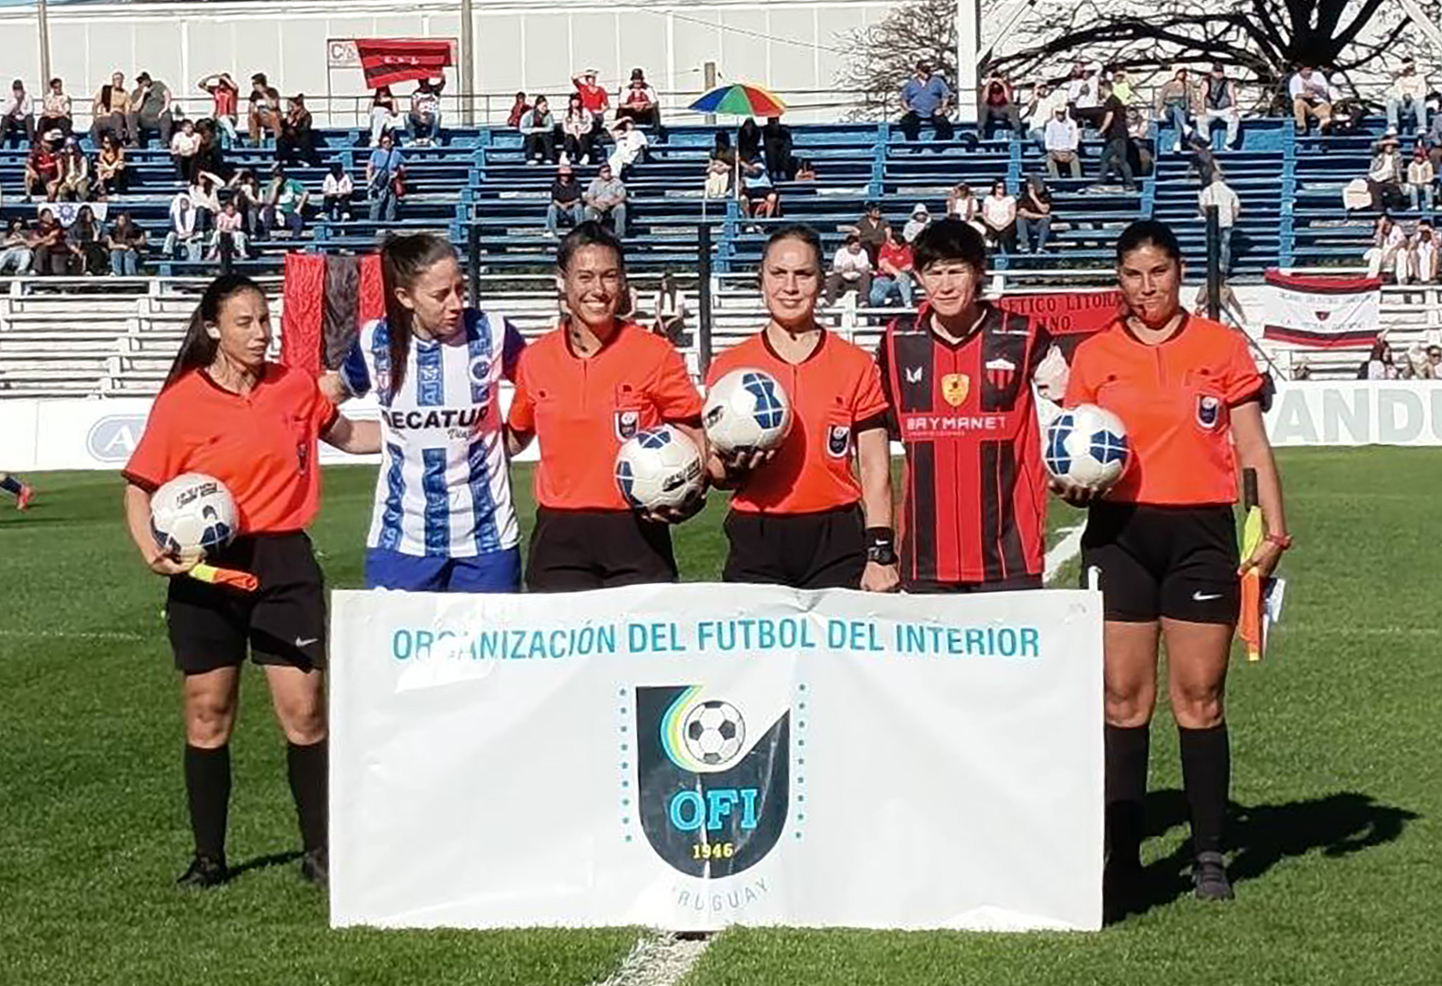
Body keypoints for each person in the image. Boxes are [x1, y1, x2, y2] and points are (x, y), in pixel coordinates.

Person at [1060, 219, 1289, 913]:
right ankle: (1122, 856)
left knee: (1200, 697)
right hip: (1120, 533)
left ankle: (1210, 852)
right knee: (1123, 701)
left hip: (1200, 536)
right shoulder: (1095, 355)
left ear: (1179, 272)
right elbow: (1072, 449)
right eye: (1132, 274)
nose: (1146, 287)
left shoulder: (1220, 348)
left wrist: (1274, 526)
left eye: (1157, 272)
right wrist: (1068, 484)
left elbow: (1249, 441)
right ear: (1118, 279)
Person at [121, 273, 377, 890]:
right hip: (206, 569)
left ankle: (319, 851)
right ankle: (209, 858)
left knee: (305, 712)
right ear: (213, 329)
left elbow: (348, 435)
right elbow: (139, 486)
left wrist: (431, 436)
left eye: (266, 320)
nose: (261, 333)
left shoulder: (293, 385)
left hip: (284, 563)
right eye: (246, 322)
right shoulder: (182, 400)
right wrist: (149, 548)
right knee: (208, 713)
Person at [506, 222, 705, 590]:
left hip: (638, 533)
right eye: (585, 277)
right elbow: (512, 439)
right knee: (561, 645)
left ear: (623, 283)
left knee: (645, 647)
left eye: (609, 276)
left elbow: (695, 432)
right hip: (559, 538)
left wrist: (695, 490)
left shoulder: (655, 354)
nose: (598, 290)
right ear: (561, 282)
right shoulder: (535, 359)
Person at [704, 224, 898, 591]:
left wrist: (880, 552)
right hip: (756, 533)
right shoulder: (730, 367)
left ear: (822, 281)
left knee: (837, 649)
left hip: (836, 536)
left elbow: (874, 467)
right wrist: (730, 470)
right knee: (758, 650)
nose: (790, 287)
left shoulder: (854, 364)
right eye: (778, 273)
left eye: (803, 274)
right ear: (761, 279)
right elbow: (716, 470)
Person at [876, 218, 1062, 592]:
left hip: (1010, 553)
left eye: (956, 271)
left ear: (978, 272)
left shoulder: (1023, 336)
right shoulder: (898, 341)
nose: (944, 285)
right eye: (934, 273)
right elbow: (877, 428)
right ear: (919, 277)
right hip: (924, 555)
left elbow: (1077, 405)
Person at [334, 233, 527, 590]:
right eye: (441, 295)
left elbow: (541, 390)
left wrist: (512, 438)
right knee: (395, 646)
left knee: (485, 647)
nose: (455, 303)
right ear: (405, 297)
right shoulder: (375, 341)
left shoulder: (493, 332)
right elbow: (326, 395)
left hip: (488, 540)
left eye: (460, 289)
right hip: (400, 541)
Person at [899, 62, 955, 147]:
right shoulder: (910, 84)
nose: (926, 74)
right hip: (916, 111)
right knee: (906, 122)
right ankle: (914, 144)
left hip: (934, 110)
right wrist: (907, 109)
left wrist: (943, 108)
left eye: (927, 71)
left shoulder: (937, 81)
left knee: (943, 123)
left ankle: (938, 144)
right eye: (923, 71)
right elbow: (903, 99)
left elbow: (946, 96)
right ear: (918, 71)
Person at [1097, 81, 1137, 191]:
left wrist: (1101, 130)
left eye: (1100, 89)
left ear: (1104, 88)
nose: (1099, 92)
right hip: (1115, 136)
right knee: (1106, 158)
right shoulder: (1116, 101)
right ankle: (1101, 181)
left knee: (1120, 160)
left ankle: (1130, 183)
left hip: (1117, 136)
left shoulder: (1112, 101)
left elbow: (1109, 116)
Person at [1198, 174, 1241, 275]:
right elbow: (1236, 208)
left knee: (1211, 245)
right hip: (1226, 221)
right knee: (1225, 245)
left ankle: (1212, 267)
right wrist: (1232, 219)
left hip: (1212, 222)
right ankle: (1224, 268)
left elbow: (1202, 206)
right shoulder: (1230, 192)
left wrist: (1208, 216)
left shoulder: (1207, 191)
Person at [869, 225, 915, 308]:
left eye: (894, 244)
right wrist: (896, 272)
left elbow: (909, 266)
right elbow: (882, 264)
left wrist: (896, 272)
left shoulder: (906, 250)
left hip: (899, 281)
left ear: (900, 245)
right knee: (875, 298)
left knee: (904, 278)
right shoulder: (885, 248)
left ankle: (907, 303)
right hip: (883, 278)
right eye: (891, 243)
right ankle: (882, 305)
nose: (891, 246)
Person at [365, 132, 405, 223]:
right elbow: (370, 167)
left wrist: (397, 173)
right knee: (377, 203)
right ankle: (373, 224)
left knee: (392, 203)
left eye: (388, 142)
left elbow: (402, 168)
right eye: (384, 142)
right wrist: (369, 180)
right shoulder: (376, 153)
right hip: (379, 181)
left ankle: (389, 224)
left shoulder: (396, 154)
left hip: (391, 181)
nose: (387, 144)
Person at [127, 72, 174, 147]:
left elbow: (167, 93)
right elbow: (135, 108)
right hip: (144, 120)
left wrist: (165, 108)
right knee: (131, 114)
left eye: (143, 80)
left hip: (158, 118)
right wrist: (143, 94)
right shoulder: (136, 92)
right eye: (140, 82)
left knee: (166, 115)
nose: (142, 83)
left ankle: (164, 142)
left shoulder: (158, 85)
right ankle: (134, 141)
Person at [1154, 67, 1195, 153]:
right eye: (1180, 72)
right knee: (1176, 108)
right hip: (1170, 110)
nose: (1182, 74)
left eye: (1184, 72)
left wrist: (1198, 112)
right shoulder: (1168, 85)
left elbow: (1194, 100)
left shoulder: (1188, 86)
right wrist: (1157, 112)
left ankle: (1177, 142)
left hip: (1184, 110)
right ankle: (1184, 127)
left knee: (1178, 116)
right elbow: (1161, 99)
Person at [1200, 64, 1241, 150]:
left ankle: (1229, 143)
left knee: (1234, 119)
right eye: (1216, 72)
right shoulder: (1206, 81)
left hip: (1225, 109)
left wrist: (1233, 108)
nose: (1218, 74)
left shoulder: (1228, 82)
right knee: (1200, 119)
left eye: (1220, 72)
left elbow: (1232, 95)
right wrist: (1202, 109)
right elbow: (1202, 96)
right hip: (1210, 109)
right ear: (1212, 72)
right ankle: (1206, 142)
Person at [262, 164, 309, 238]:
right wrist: (275, 187)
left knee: (297, 222)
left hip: (289, 210)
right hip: (275, 210)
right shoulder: (271, 185)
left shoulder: (291, 183)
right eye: (276, 175)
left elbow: (305, 193)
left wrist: (299, 208)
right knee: (268, 211)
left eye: (280, 174)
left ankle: (295, 240)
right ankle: (266, 235)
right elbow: (269, 202)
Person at [1289, 66, 1338, 135]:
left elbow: (1326, 90)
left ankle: (1325, 128)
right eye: (1306, 70)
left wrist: (1314, 87)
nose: (1308, 72)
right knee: (1298, 102)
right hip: (1307, 105)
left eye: (1310, 70)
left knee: (1326, 112)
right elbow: (1294, 95)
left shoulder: (1318, 76)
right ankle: (1301, 126)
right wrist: (1304, 95)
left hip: (1320, 104)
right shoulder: (1295, 79)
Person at [825, 233, 873, 304]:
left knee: (866, 277)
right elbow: (836, 269)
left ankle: (863, 301)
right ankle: (829, 301)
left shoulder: (863, 252)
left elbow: (865, 268)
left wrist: (855, 268)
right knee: (834, 279)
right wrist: (845, 268)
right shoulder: (840, 252)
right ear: (848, 246)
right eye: (855, 246)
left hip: (858, 279)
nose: (857, 248)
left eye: (858, 246)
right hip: (844, 279)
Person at [583, 162, 628, 238]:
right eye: (604, 172)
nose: (607, 173)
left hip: (612, 205)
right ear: (600, 173)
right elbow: (589, 198)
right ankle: (591, 234)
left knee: (621, 207)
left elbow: (622, 196)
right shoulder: (594, 183)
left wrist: (611, 203)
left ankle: (619, 234)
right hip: (598, 206)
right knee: (588, 209)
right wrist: (597, 205)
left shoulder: (617, 182)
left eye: (608, 171)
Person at [1387, 57, 1428, 138]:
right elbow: (1390, 71)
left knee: (1420, 102)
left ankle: (1422, 127)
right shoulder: (1398, 77)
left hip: (1413, 104)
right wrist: (1404, 66)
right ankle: (1393, 126)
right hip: (1401, 104)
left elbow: (1422, 92)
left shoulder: (1420, 78)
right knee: (1391, 101)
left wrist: (1411, 96)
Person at [196, 72, 240, 147]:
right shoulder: (216, 90)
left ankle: (235, 138)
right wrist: (211, 77)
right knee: (207, 122)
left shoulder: (232, 91)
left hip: (230, 117)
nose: (222, 84)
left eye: (224, 82)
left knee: (223, 118)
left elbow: (235, 87)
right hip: (217, 116)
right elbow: (200, 85)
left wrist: (225, 78)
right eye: (220, 82)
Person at [978, 70, 1023, 140]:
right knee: (983, 107)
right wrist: (988, 84)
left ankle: (1017, 132)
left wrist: (1003, 85)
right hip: (991, 110)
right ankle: (981, 131)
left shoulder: (1006, 86)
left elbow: (1010, 101)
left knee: (1011, 107)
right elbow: (983, 101)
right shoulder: (987, 88)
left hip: (1003, 109)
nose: (996, 83)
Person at [164, 188, 204, 263]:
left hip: (191, 234)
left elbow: (196, 228)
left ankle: (193, 261)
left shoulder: (193, 213)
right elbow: (174, 227)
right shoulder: (175, 214)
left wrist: (189, 233)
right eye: (182, 203)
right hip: (179, 234)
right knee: (170, 235)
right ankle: (167, 254)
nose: (184, 204)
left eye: (186, 202)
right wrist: (182, 233)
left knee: (192, 241)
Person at [91, 72, 131, 146]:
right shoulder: (105, 90)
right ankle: (98, 148)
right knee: (94, 126)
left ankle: (120, 140)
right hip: (106, 118)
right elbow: (95, 105)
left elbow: (128, 111)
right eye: (115, 79)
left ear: (122, 80)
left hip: (118, 119)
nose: (117, 81)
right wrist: (95, 117)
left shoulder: (125, 94)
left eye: (119, 79)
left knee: (116, 114)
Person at [277, 95, 318, 167]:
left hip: (300, 136)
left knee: (306, 139)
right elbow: (283, 126)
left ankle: (305, 159)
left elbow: (305, 128)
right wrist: (286, 122)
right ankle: (283, 159)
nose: (291, 109)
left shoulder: (306, 115)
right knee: (281, 140)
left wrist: (295, 126)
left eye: (293, 106)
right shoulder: (289, 115)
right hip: (291, 137)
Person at [546, 162, 585, 238]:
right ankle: (550, 230)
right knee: (551, 208)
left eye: (567, 175)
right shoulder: (555, 184)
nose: (565, 177)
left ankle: (580, 230)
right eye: (563, 175)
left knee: (578, 207)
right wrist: (561, 205)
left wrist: (568, 204)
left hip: (572, 210)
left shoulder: (576, 184)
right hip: (560, 210)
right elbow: (554, 199)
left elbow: (578, 199)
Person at [67, 205, 107, 276]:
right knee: (90, 250)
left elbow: (106, 235)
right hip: (81, 246)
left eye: (90, 213)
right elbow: (69, 240)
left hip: (97, 245)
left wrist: (99, 237)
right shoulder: (76, 226)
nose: (90, 215)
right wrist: (77, 250)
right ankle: (90, 270)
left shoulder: (97, 224)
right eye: (87, 213)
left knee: (96, 250)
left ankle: (92, 270)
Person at [1017, 174, 1053, 253]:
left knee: (1045, 221)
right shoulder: (1024, 196)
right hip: (1028, 224)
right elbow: (1023, 213)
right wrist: (1041, 216)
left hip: (1039, 225)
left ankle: (1040, 247)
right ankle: (1025, 246)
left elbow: (1044, 210)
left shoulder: (1045, 195)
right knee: (1020, 219)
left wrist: (1034, 197)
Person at [1365, 215, 1408, 280]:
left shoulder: (1396, 229)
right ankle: (1372, 278)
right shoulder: (1378, 231)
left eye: (1387, 224)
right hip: (1381, 255)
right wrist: (1381, 228)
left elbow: (1403, 241)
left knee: (1401, 252)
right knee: (1377, 252)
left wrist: (1393, 249)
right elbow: (1378, 244)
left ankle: (1402, 279)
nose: (1386, 227)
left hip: (1393, 253)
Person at [1044, 105, 1082, 178]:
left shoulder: (1072, 123)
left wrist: (1070, 150)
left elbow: (1074, 139)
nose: (1060, 115)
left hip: (1068, 151)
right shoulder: (1050, 124)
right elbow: (1048, 141)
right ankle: (1055, 180)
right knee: (1049, 159)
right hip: (1055, 151)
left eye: (1062, 113)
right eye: (1058, 113)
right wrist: (1055, 152)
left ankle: (1077, 181)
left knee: (1075, 158)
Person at [981, 179, 1017, 252]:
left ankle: (1009, 257)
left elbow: (1012, 215)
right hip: (991, 224)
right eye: (999, 187)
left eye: (1003, 187)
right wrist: (995, 225)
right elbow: (985, 215)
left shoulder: (1010, 199)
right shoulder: (988, 199)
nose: (1001, 189)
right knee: (989, 236)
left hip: (1006, 224)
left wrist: (1003, 225)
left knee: (1007, 236)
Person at [649, 272, 687, 343]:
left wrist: (669, 322)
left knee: (672, 329)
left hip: (674, 319)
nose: (663, 285)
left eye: (665, 283)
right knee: (656, 329)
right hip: (663, 318)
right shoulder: (658, 295)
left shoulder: (679, 294)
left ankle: (671, 347)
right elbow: (657, 312)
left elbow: (680, 315)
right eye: (662, 283)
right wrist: (660, 323)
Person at [572, 68, 610, 136]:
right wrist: (586, 73)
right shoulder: (583, 88)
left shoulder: (600, 90)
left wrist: (601, 111)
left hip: (596, 115)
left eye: (593, 78)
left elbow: (607, 105)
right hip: (585, 115)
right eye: (590, 78)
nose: (592, 80)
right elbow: (573, 77)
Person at [30, 209, 69, 276]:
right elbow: (34, 238)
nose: (50, 217)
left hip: (58, 248)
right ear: (42, 218)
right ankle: (37, 270)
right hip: (45, 248)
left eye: (51, 215)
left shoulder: (57, 224)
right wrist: (42, 241)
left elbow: (53, 239)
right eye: (47, 215)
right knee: (41, 249)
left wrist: (39, 241)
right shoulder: (38, 228)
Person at [519, 96, 557, 164]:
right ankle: (530, 158)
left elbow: (551, 127)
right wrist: (533, 130)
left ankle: (549, 157)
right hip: (532, 137)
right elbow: (522, 128)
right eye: (543, 106)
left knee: (547, 137)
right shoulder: (529, 115)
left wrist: (538, 130)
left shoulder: (549, 115)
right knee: (532, 137)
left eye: (546, 106)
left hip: (543, 137)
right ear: (537, 106)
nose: (545, 108)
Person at [247, 73, 282, 145]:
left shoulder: (272, 91)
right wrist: (253, 109)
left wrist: (263, 93)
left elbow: (273, 106)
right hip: (261, 117)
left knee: (273, 115)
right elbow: (250, 108)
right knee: (251, 117)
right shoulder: (254, 94)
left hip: (271, 117)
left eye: (255, 84)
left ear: (261, 83)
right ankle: (254, 141)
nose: (253, 86)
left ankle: (278, 140)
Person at [560, 93, 595, 165]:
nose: (575, 103)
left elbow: (590, 124)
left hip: (583, 132)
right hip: (571, 132)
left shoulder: (585, 111)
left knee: (584, 138)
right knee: (569, 138)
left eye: (577, 101)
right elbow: (564, 126)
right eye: (573, 101)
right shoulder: (567, 112)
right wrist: (572, 132)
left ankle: (585, 156)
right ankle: (566, 155)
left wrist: (583, 131)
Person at [107, 211, 146, 275]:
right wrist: (122, 246)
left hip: (132, 249)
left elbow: (142, 241)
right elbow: (111, 245)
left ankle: (130, 274)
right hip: (119, 249)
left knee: (129, 255)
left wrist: (132, 243)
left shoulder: (135, 228)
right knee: (114, 254)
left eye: (123, 220)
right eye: (119, 220)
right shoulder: (113, 230)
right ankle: (117, 273)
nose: (121, 222)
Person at [408, 78, 444, 145]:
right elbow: (413, 107)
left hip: (431, 116)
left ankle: (432, 138)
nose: (423, 83)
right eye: (421, 82)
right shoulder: (416, 93)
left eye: (425, 81)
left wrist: (442, 77)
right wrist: (419, 115)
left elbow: (441, 85)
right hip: (419, 116)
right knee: (406, 116)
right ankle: (412, 139)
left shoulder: (434, 91)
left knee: (438, 115)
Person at [1, 80, 35, 147]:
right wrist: (15, 102)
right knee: (5, 119)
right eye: (16, 90)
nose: (18, 92)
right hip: (13, 121)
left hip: (24, 121)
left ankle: (31, 140)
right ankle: (1, 140)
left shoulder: (28, 96)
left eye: (19, 89)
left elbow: (30, 111)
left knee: (30, 119)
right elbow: (6, 112)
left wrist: (22, 110)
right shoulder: (9, 97)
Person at [761, 117, 793, 182]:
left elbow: (788, 141)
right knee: (770, 149)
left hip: (782, 151)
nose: (773, 124)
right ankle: (774, 171)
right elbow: (767, 140)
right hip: (772, 152)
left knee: (784, 149)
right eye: (772, 122)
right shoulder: (766, 130)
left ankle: (782, 171)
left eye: (774, 121)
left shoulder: (784, 130)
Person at [1406, 145, 1435, 211]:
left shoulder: (1428, 164)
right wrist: (1416, 183)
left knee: (1428, 187)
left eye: (1419, 156)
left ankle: (1429, 204)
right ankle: (1414, 205)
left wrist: (1424, 182)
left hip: (1425, 183)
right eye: (1416, 156)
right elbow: (1410, 177)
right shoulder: (1411, 165)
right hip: (1415, 184)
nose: (1418, 158)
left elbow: (1430, 176)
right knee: (1412, 188)